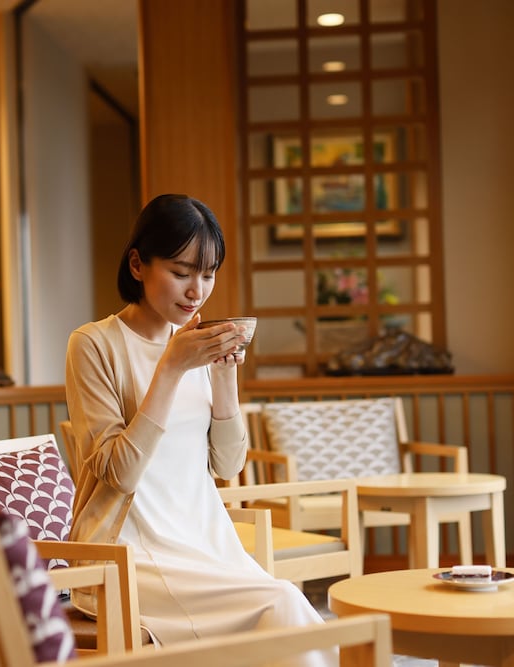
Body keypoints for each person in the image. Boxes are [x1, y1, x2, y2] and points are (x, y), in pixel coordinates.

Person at [64, 194, 335, 666]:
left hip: (204, 540)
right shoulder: (93, 345)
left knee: (282, 607)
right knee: (284, 604)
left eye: (208, 274)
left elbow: (228, 465)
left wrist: (225, 373)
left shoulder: (194, 343)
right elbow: (118, 474)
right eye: (181, 271)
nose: (197, 291)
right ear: (137, 265)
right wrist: (171, 369)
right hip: (127, 556)